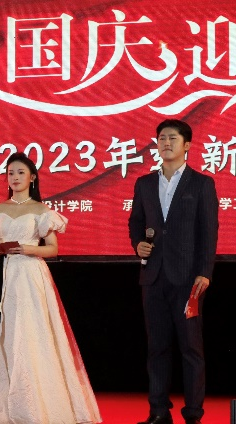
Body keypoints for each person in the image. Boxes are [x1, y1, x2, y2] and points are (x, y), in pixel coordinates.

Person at [0, 152, 101, 424]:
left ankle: (33, 405)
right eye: (10, 173)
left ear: (32, 177)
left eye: (20, 172)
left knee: (29, 336)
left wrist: (28, 248)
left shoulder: (42, 211)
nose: (14, 177)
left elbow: (53, 249)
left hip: (28, 276)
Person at [128, 119, 218, 424]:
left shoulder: (201, 183)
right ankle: (158, 412)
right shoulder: (144, 183)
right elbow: (136, 222)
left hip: (188, 278)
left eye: (173, 138)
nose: (166, 143)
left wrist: (204, 272)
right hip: (153, 277)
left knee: (191, 348)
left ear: (187, 145)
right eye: (162, 138)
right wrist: (138, 244)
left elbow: (208, 231)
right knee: (157, 347)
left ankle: (193, 414)